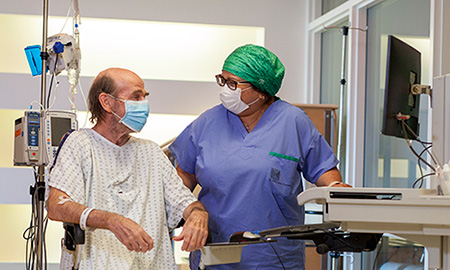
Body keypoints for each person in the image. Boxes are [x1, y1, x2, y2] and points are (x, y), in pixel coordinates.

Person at [169, 44, 351, 269]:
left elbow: (324, 169)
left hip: (274, 256)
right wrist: (184, 210)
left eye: (234, 83)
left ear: (262, 91)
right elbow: (184, 175)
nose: (226, 89)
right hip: (217, 251)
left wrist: (335, 186)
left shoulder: (293, 121)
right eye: (223, 80)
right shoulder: (207, 122)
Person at [47, 68, 209, 270]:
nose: (144, 105)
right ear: (106, 102)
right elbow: (56, 206)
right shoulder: (80, 144)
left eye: (144, 97)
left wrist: (198, 215)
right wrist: (111, 220)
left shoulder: (151, 152)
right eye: (136, 96)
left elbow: (186, 203)